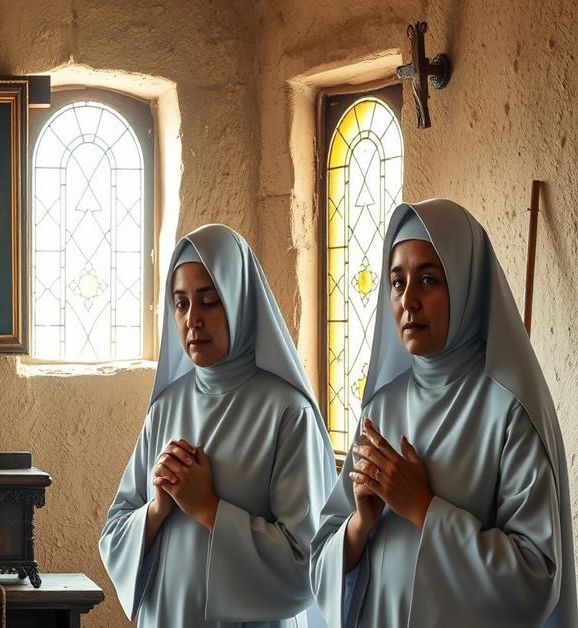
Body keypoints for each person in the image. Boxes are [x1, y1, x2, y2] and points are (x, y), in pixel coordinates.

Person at [311, 199, 576, 627]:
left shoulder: (508, 410)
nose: (409, 300)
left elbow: (536, 577)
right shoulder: (382, 406)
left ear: (466, 284)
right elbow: (321, 556)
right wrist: (360, 524)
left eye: (429, 280)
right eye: (397, 282)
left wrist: (423, 508)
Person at [100, 224, 335, 627]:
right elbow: (115, 533)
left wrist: (208, 509)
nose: (193, 319)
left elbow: (308, 564)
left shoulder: (287, 412)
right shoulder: (167, 407)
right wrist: (157, 509)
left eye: (208, 301)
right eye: (181, 303)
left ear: (240, 301)